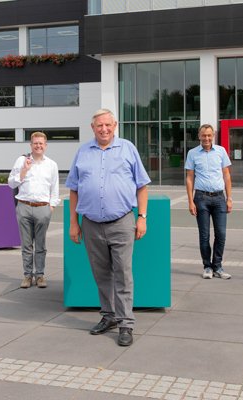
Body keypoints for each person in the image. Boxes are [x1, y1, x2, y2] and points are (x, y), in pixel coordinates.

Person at [66, 109, 150, 347]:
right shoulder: (83, 152)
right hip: (91, 224)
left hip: (122, 222)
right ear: (92, 128)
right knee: (101, 274)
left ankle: (126, 324)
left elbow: (142, 186)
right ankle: (109, 316)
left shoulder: (128, 149)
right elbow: (74, 188)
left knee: (123, 274)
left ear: (115, 126)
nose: (104, 129)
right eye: (99, 125)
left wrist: (142, 217)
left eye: (108, 125)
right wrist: (74, 222)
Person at [8, 132, 60, 289]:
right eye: (35, 143)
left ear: (45, 146)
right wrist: (23, 171)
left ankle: (40, 275)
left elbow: (54, 188)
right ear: (31, 145)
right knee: (26, 245)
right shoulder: (22, 160)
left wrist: (51, 207)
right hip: (24, 206)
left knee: (41, 245)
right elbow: (11, 183)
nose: (38, 146)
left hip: (42, 208)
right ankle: (27, 275)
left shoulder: (52, 165)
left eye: (41, 143)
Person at [185, 124, 233, 280]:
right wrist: (190, 201)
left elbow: (226, 175)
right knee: (204, 235)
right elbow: (190, 178)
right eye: (203, 135)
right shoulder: (192, 153)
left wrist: (229, 197)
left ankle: (218, 266)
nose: (206, 138)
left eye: (209, 135)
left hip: (219, 198)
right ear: (199, 136)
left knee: (221, 234)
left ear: (214, 135)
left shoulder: (221, 151)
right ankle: (207, 266)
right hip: (201, 198)